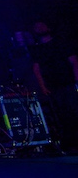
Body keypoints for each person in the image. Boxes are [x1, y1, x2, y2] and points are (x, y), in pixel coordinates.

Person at [30, 21, 78, 152]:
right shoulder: (37, 49)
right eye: (36, 26)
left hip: (68, 83)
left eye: (42, 25)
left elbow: (74, 61)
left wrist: (76, 81)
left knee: (74, 111)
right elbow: (36, 69)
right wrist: (43, 86)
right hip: (52, 86)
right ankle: (69, 144)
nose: (40, 28)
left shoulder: (61, 43)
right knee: (61, 115)